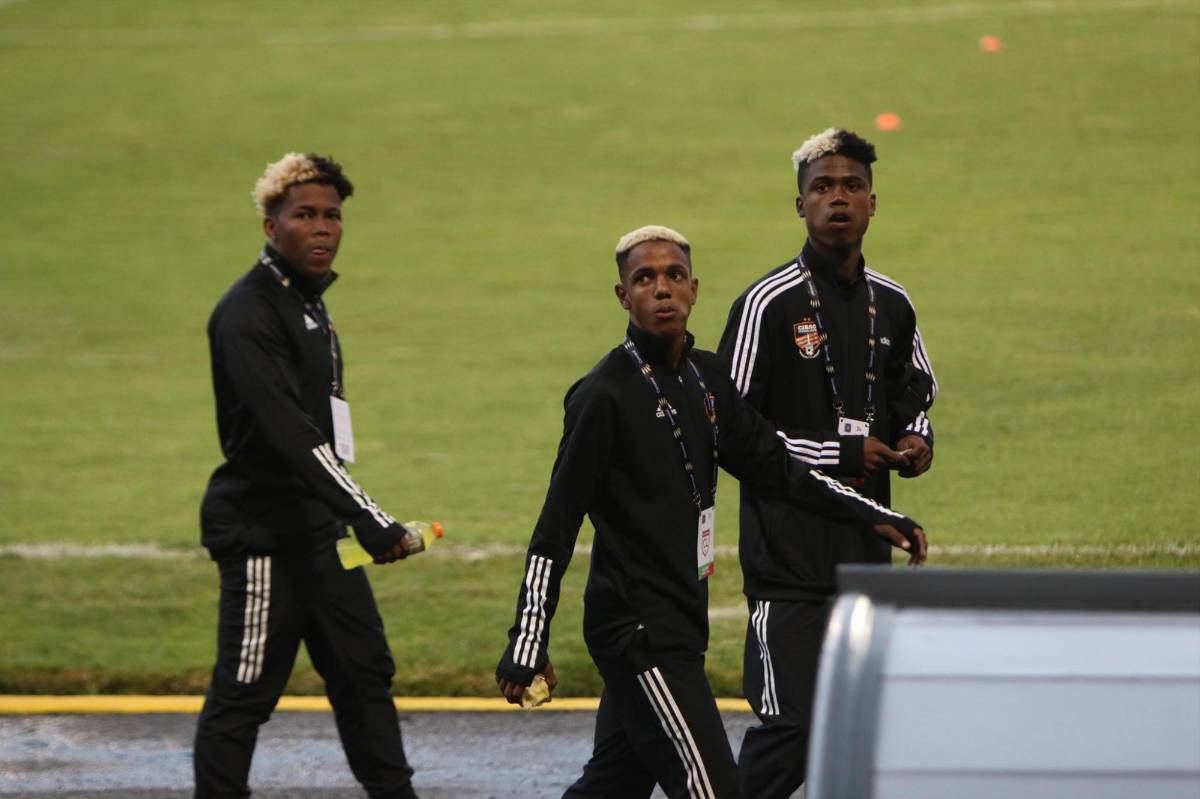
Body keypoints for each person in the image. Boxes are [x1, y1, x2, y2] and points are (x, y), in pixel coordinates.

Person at [495, 225, 927, 799]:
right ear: (623, 296)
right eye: (644, 278)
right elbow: (555, 528)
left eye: (674, 275)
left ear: (694, 289)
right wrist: (528, 642)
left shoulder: (707, 378)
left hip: (680, 620)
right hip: (639, 633)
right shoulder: (602, 396)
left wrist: (873, 514)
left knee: (613, 784)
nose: (662, 289)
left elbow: (779, 468)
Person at [716, 128, 938, 799]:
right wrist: (838, 451)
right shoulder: (767, 304)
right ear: (800, 205)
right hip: (788, 565)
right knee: (791, 730)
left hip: (866, 561)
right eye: (822, 187)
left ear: (873, 202)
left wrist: (917, 440)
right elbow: (729, 431)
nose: (838, 198)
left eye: (851, 186)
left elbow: (915, 393)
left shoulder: (893, 303)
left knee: (861, 734)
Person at [193, 153, 419, 799]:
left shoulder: (308, 306)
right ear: (272, 226)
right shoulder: (248, 313)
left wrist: (350, 516)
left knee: (364, 670)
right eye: (305, 215)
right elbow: (293, 436)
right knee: (245, 690)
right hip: (263, 533)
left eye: (333, 215)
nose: (322, 228)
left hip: (318, 529)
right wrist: (369, 518)